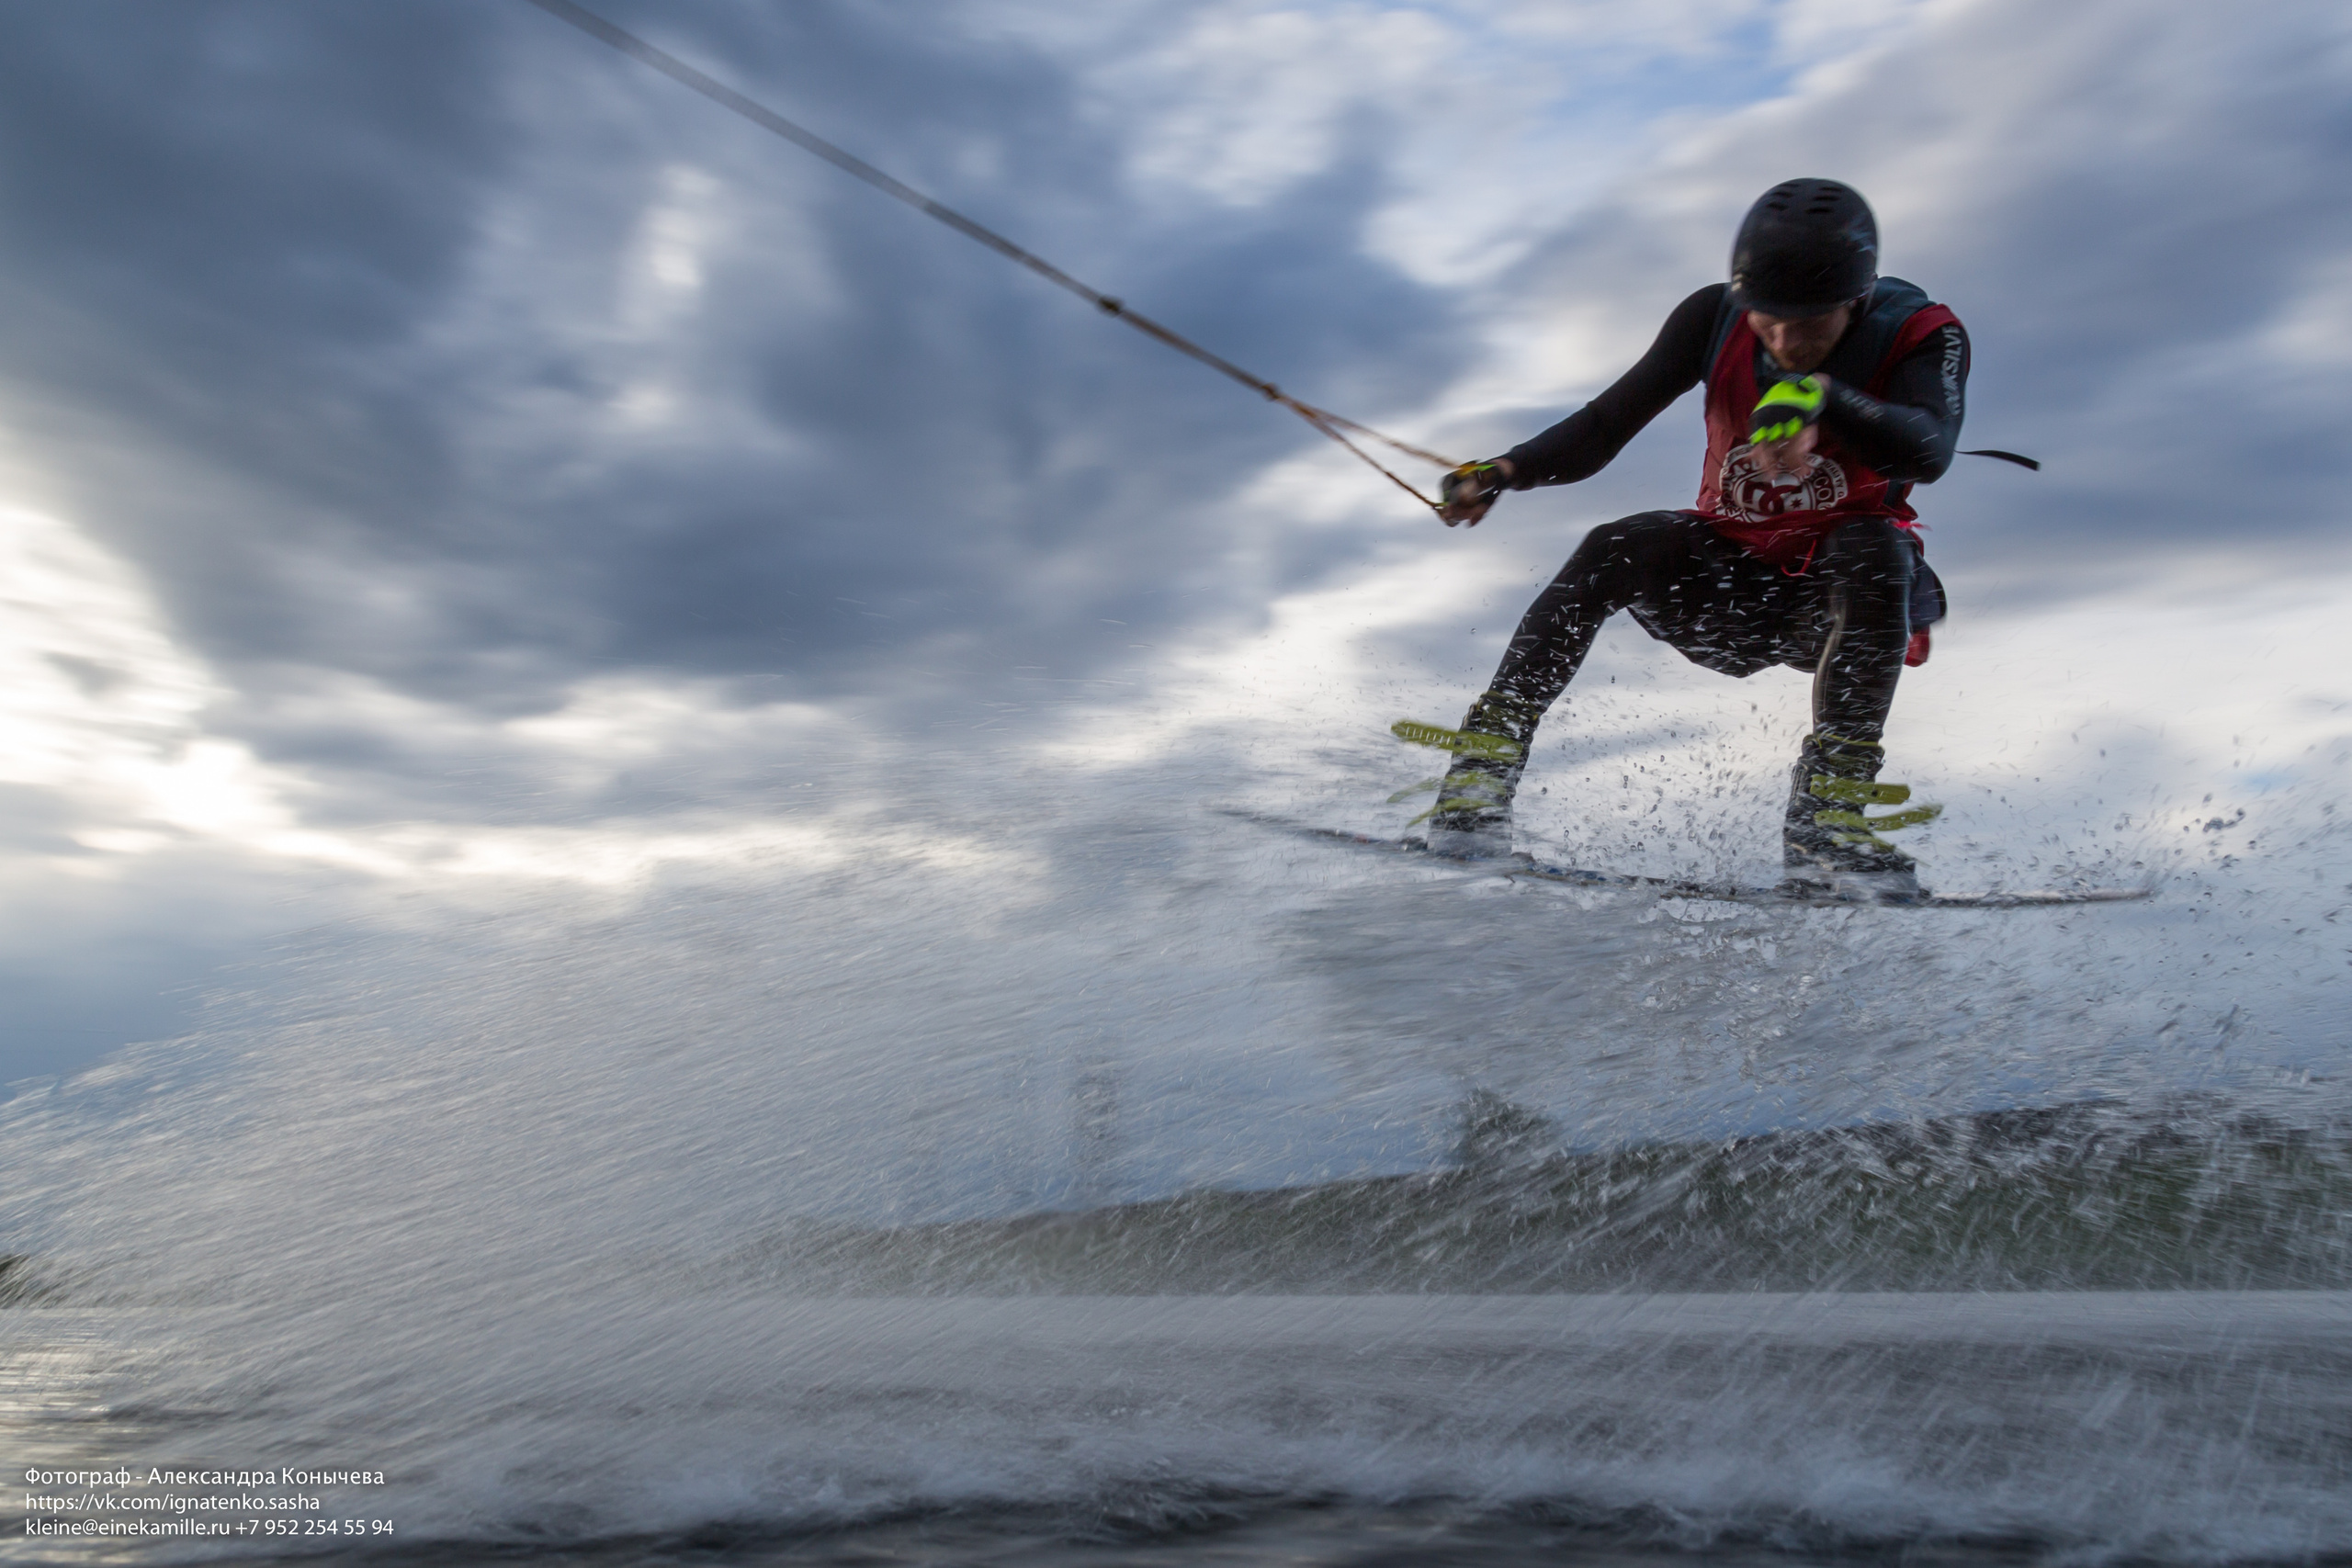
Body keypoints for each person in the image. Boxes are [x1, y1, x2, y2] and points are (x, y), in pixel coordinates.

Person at [1408, 177, 1961, 900]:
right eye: (1770, 323)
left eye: (1811, 327)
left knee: (1875, 548)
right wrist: (1506, 470)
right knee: (1614, 544)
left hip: (1829, 609)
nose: (1787, 343)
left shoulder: (1923, 334)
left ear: (1854, 303)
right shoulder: (1712, 318)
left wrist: (1828, 398)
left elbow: (1928, 449)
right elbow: (1607, 425)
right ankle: (1481, 775)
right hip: (1723, 589)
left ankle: (1828, 824)